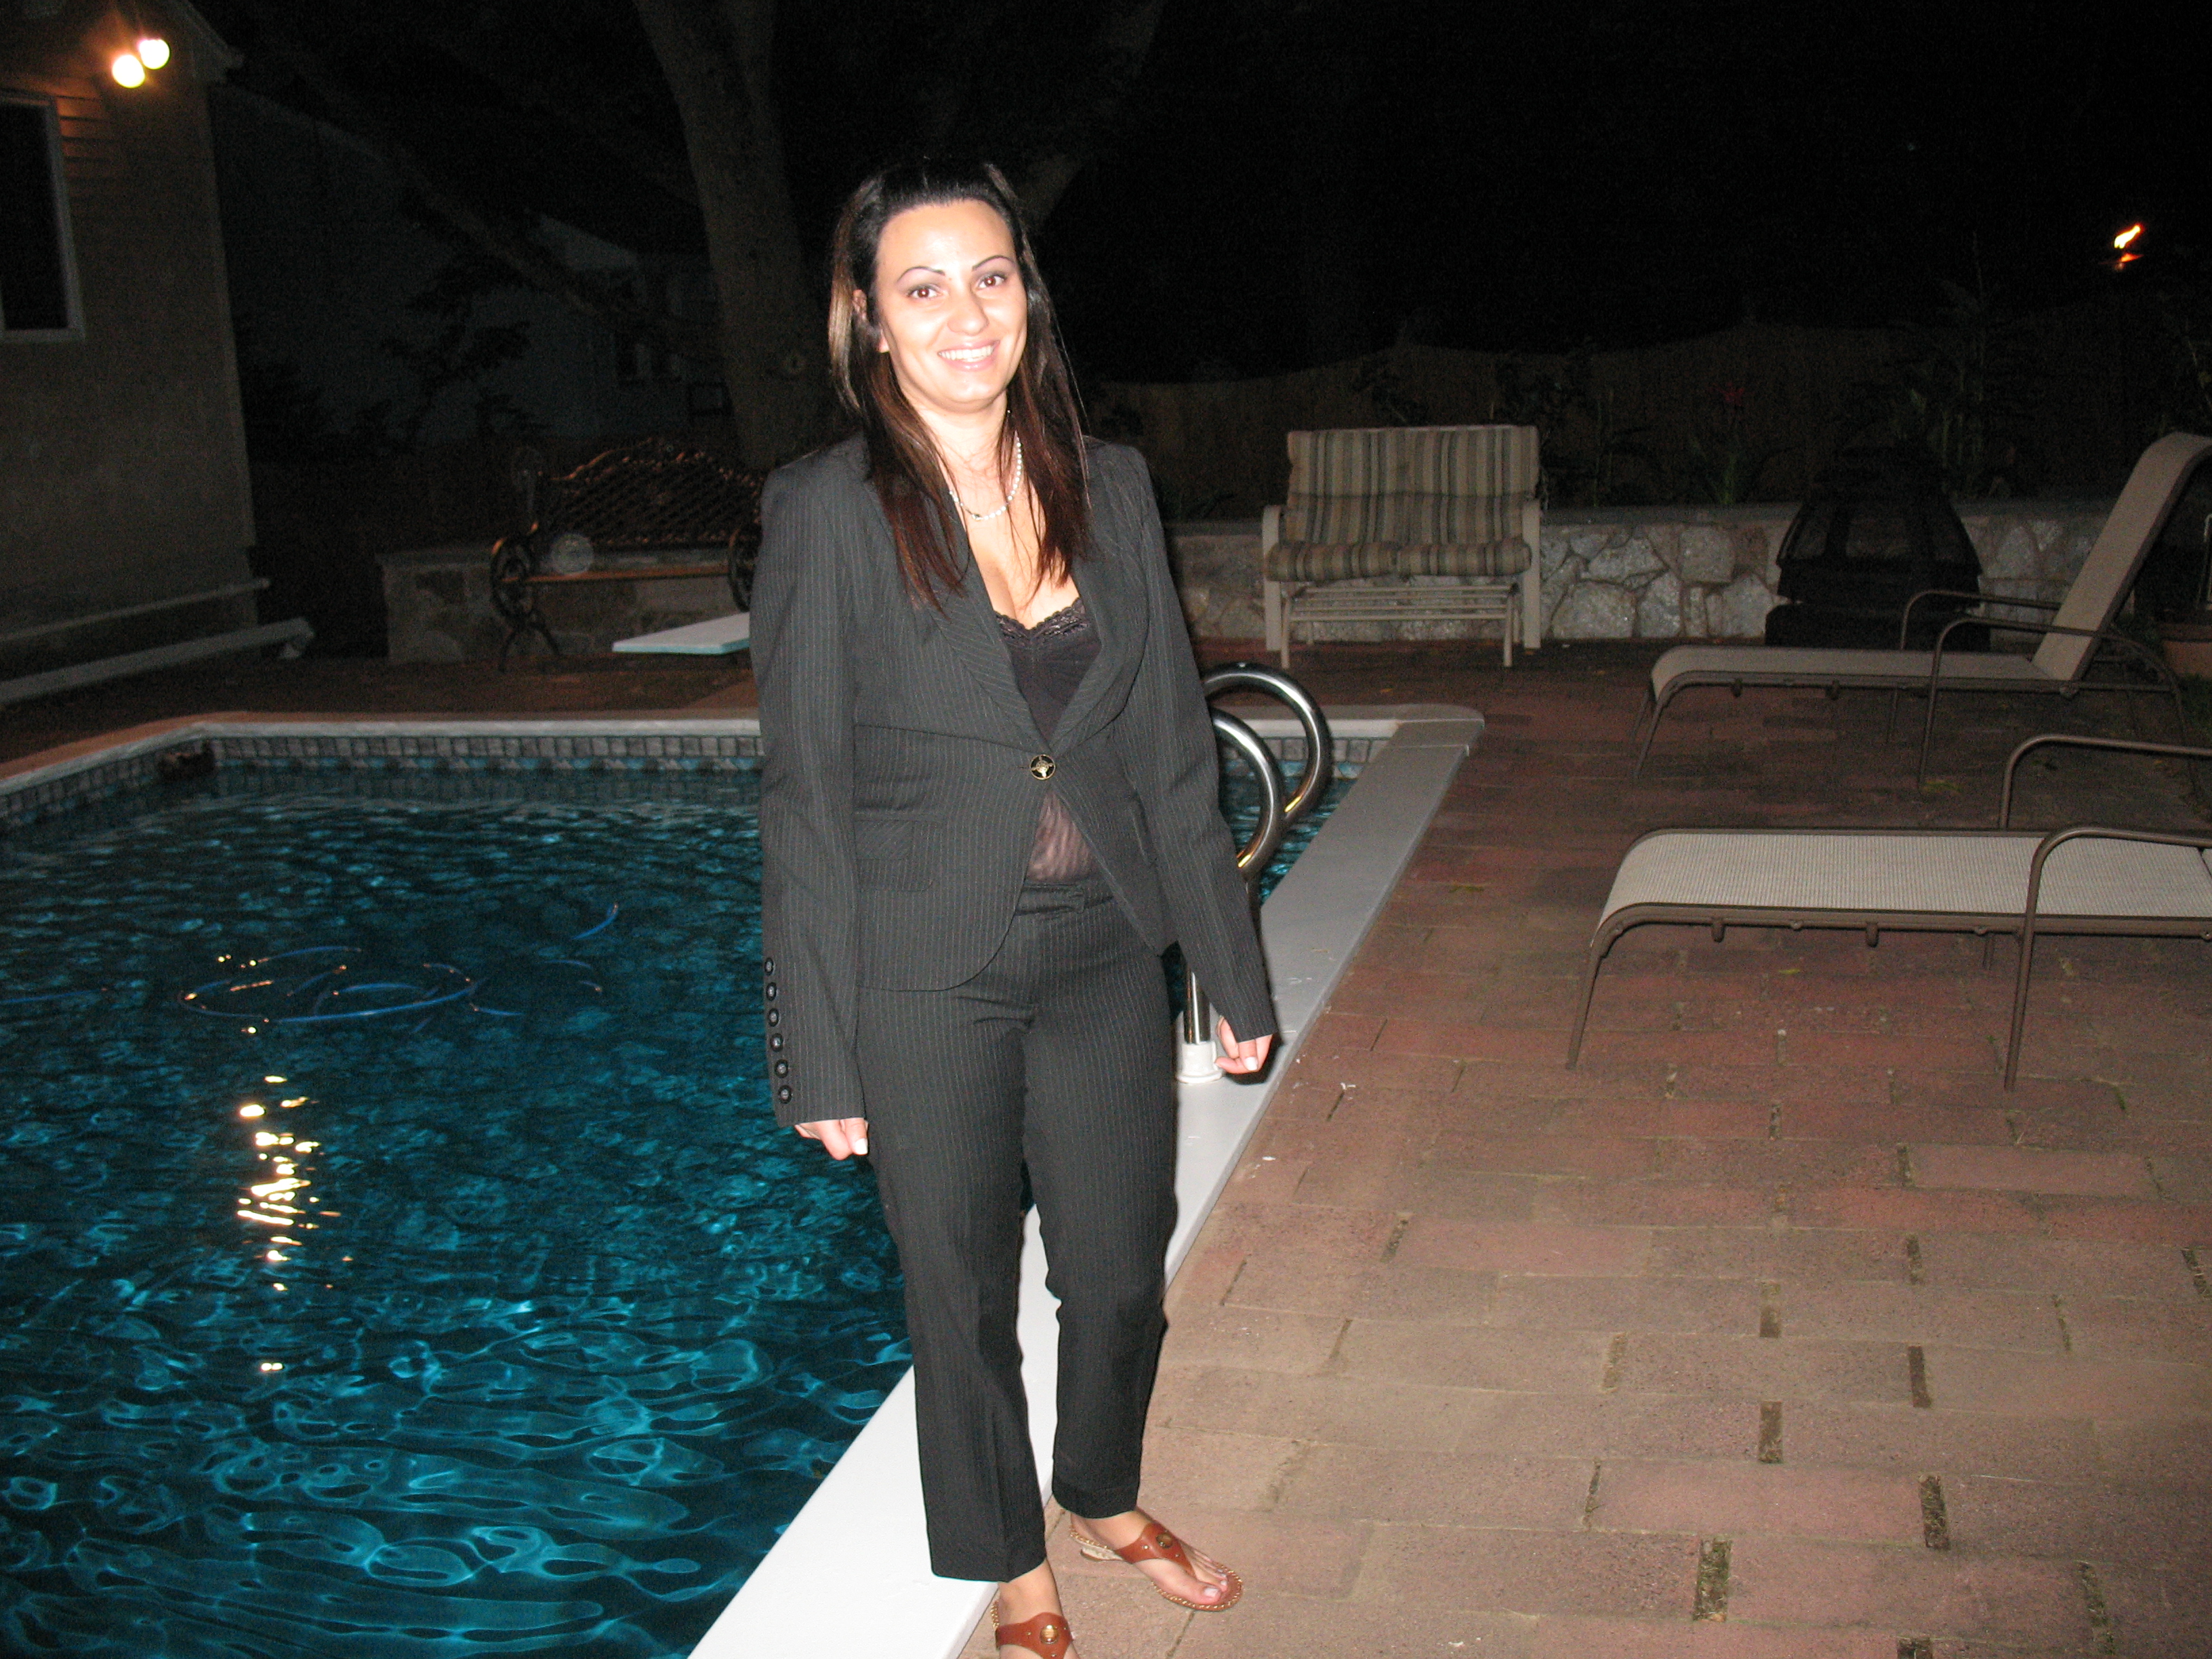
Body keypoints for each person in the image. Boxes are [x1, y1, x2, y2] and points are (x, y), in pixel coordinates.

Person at [751, 158, 1276, 1659]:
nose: (965, 314)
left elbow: (1170, 753)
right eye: (922, 287)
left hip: (1103, 948)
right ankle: (1011, 1566)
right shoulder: (826, 509)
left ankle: (1101, 1492)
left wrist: (1228, 970)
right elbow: (804, 796)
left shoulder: (1112, 484)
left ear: (1027, 295)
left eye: (991, 277)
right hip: (923, 971)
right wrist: (818, 1050)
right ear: (870, 318)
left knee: (1116, 1274)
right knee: (961, 1295)